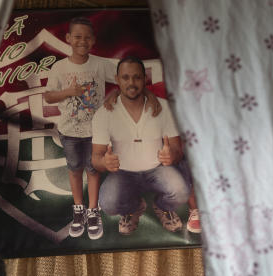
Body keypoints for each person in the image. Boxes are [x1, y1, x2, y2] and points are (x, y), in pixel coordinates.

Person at [44, 17, 159, 241]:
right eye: (77, 37)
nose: (82, 41)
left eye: (87, 37)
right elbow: (48, 96)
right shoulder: (59, 68)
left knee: (93, 169)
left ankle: (93, 210)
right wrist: (68, 92)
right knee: (75, 168)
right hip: (69, 130)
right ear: (68, 38)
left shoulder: (99, 64)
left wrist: (115, 93)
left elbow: (123, 80)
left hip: (96, 132)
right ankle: (78, 209)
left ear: (94, 40)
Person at [92, 56, 200, 235]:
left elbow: (177, 150)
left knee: (180, 191)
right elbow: (95, 158)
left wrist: (172, 155)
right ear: (117, 79)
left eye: (137, 77)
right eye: (125, 77)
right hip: (123, 173)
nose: (131, 82)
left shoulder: (162, 107)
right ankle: (134, 207)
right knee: (108, 203)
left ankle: (162, 207)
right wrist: (104, 162)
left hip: (157, 169)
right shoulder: (104, 113)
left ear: (145, 79)